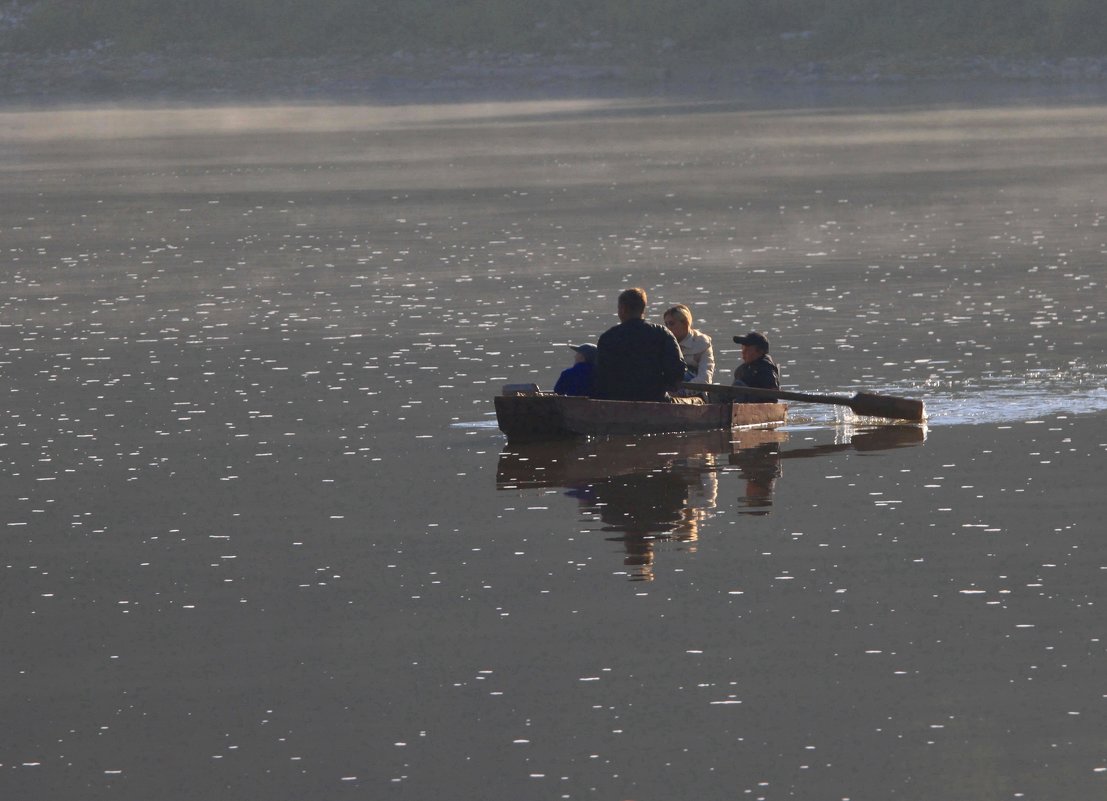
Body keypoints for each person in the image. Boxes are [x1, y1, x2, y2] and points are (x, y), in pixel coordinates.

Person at [592, 287, 686, 403]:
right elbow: (677, 370)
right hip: (655, 399)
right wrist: (665, 384)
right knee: (697, 401)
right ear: (643, 308)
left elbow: (599, 374)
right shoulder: (662, 333)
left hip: (615, 401)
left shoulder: (608, 337)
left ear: (623, 309)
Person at [662, 303, 715, 394]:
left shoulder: (702, 343)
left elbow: (704, 379)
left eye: (672, 324)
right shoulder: (663, 342)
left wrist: (682, 392)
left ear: (685, 324)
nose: (668, 328)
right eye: (666, 325)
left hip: (695, 394)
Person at [731, 331, 780, 402]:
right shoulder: (740, 370)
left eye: (747, 349)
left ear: (760, 351)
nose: (743, 352)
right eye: (742, 348)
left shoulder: (766, 369)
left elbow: (773, 396)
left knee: (738, 385)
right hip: (740, 403)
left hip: (759, 405)